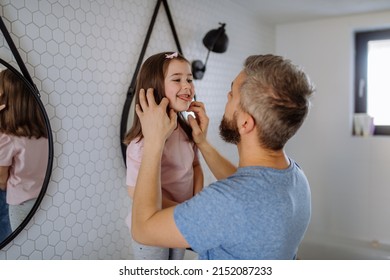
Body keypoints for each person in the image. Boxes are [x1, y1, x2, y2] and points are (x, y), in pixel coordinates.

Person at [131, 54, 314, 260]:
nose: (226, 97)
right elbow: (246, 185)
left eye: (232, 95)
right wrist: (202, 143)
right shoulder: (297, 179)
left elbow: (142, 229)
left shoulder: (226, 203)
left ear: (246, 123)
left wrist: (154, 142)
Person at [123, 52, 204, 260]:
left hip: (180, 219)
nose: (187, 86)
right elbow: (134, 192)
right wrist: (184, 209)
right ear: (155, 89)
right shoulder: (141, 144)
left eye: (189, 79)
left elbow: (195, 166)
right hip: (150, 226)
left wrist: (195, 202)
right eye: (177, 80)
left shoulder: (186, 130)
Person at [0, 69, 48, 231]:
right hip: (43, 197)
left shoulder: (7, 137)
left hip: (19, 201)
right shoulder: (45, 131)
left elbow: (1, 179)